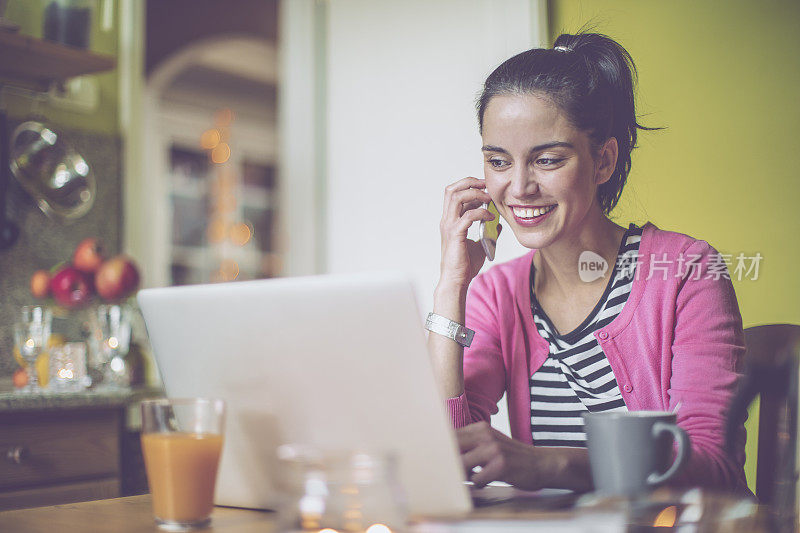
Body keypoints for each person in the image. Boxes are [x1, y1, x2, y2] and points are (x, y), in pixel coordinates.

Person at [427, 32, 748, 493]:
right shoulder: (497, 294)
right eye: (498, 161)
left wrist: (550, 466)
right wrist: (451, 285)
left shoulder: (687, 271)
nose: (518, 188)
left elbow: (711, 464)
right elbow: (447, 454)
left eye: (548, 160)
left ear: (603, 160)